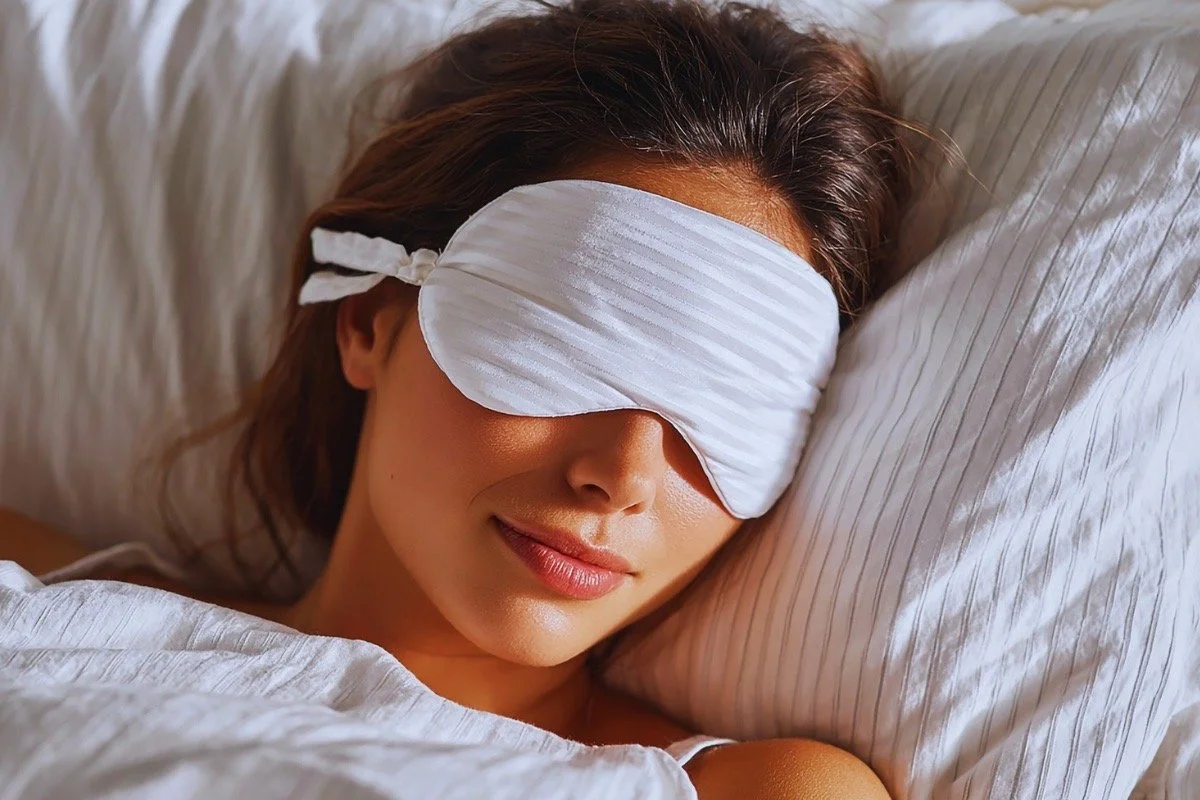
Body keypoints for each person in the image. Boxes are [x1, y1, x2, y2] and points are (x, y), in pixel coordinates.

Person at [1, 0, 913, 796]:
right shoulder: (49, 612)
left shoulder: (748, 790)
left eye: (727, 404)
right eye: (565, 341)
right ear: (369, 321)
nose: (622, 477)